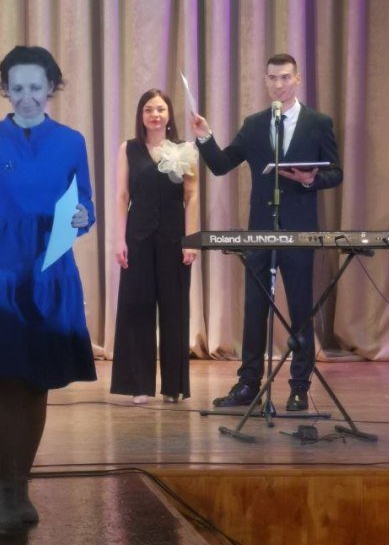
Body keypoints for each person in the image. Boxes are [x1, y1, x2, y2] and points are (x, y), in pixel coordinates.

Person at [0, 46, 96, 532]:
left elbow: (85, 203)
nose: (27, 96)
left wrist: (84, 215)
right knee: (5, 380)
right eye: (18, 87)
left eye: (36, 86)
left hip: (50, 271)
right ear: (6, 90)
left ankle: (21, 484)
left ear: (50, 86)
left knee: (37, 383)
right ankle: (6, 489)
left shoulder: (71, 142)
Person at [191, 53, 342, 411]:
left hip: (299, 230)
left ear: (297, 79)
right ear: (265, 80)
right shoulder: (255, 124)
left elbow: (336, 173)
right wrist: (205, 138)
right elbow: (222, 165)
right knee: (255, 307)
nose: (278, 84)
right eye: (272, 78)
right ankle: (248, 384)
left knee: (301, 307)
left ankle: (299, 387)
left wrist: (311, 179)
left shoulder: (318, 122)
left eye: (285, 77)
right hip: (260, 228)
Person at [110, 89, 199, 406]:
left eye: (160, 109)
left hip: (174, 240)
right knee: (137, 309)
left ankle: (174, 386)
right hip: (138, 238)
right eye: (148, 109)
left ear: (169, 114)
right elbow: (122, 196)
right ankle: (139, 385)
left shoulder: (185, 149)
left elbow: (191, 196)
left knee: (175, 311)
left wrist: (191, 240)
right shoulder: (128, 149)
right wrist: (119, 239)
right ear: (141, 115)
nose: (155, 115)